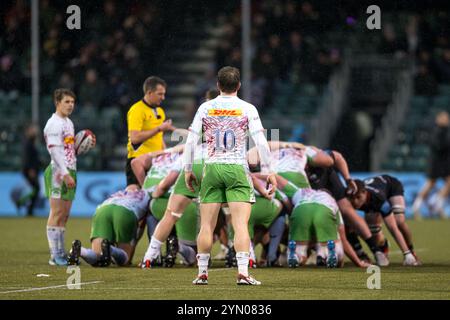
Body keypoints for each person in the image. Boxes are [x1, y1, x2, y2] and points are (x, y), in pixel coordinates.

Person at [184, 66, 277, 285]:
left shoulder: (205, 108)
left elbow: (190, 141)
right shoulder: (248, 108)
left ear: (217, 85)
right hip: (236, 168)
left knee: (206, 225)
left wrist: (188, 169)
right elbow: (260, 142)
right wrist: (269, 170)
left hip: (212, 168)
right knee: (240, 225)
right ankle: (243, 273)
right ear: (239, 86)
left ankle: (202, 273)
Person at [43, 88, 96, 266]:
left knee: (64, 215)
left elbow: (67, 150)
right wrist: (64, 173)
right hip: (59, 172)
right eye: (67, 102)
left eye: (72, 102)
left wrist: (81, 146)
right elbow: (54, 151)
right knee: (57, 212)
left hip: (70, 170)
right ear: (57, 103)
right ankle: (55, 255)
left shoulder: (69, 123)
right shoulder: (54, 124)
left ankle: (60, 253)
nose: (70, 105)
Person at [68, 186, 149, 267]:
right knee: (125, 259)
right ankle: (110, 249)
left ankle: (80, 251)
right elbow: (142, 225)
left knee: (97, 256)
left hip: (102, 210)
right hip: (125, 212)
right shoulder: (145, 195)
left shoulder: (119, 193)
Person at [347, 176, 419, 266]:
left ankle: (411, 251)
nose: (355, 202)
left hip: (392, 187)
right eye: (352, 198)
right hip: (374, 196)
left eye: (358, 197)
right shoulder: (348, 198)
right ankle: (383, 246)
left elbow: (392, 228)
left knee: (399, 221)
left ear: (365, 193)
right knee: (374, 232)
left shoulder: (378, 199)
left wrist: (406, 253)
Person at [126, 76, 176, 188]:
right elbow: (134, 138)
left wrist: (165, 154)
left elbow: (159, 136)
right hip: (138, 160)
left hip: (156, 161)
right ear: (149, 93)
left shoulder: (160, 111)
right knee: (136, 193)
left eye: (164, 94)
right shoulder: (137, 110)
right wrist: (159, 128)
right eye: (160, 94)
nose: (163, 97)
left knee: (155, 196)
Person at [413, 111, 450, 219]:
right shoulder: (436, 131)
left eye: (447, 118)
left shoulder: (446, 131)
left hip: (444, 162)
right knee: (430, 183)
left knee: (448, 182)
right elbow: (438, 146)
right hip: (435, 162)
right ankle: (417, 206)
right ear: (438, 119)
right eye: (444, 118)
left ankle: (438, 205)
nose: (446, 119)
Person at [19, 124, 42, 216]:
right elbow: (27, 158)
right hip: (29, 170)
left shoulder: (31, 143)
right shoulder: (28, 143)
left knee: (36, 189)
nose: (35, 132)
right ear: (28, 131)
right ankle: (22, 203)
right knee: (36, 189)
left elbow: (33, 158)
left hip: (32, 169)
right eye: (33, 130)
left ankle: (28, 209)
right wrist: (31, 169)